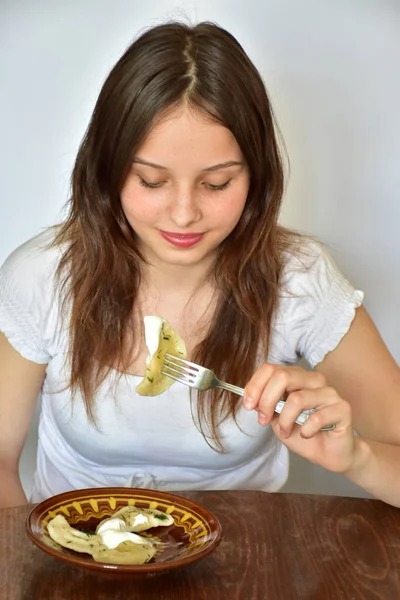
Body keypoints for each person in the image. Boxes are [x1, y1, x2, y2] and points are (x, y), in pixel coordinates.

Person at [0, 22, 399, 509]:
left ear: (258, 178)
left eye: (216, 184)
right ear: (106, 171)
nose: (184, 213)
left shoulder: (299, 278)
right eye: (151, 181)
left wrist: (356, 456)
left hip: (240, 564)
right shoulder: (42, 274)